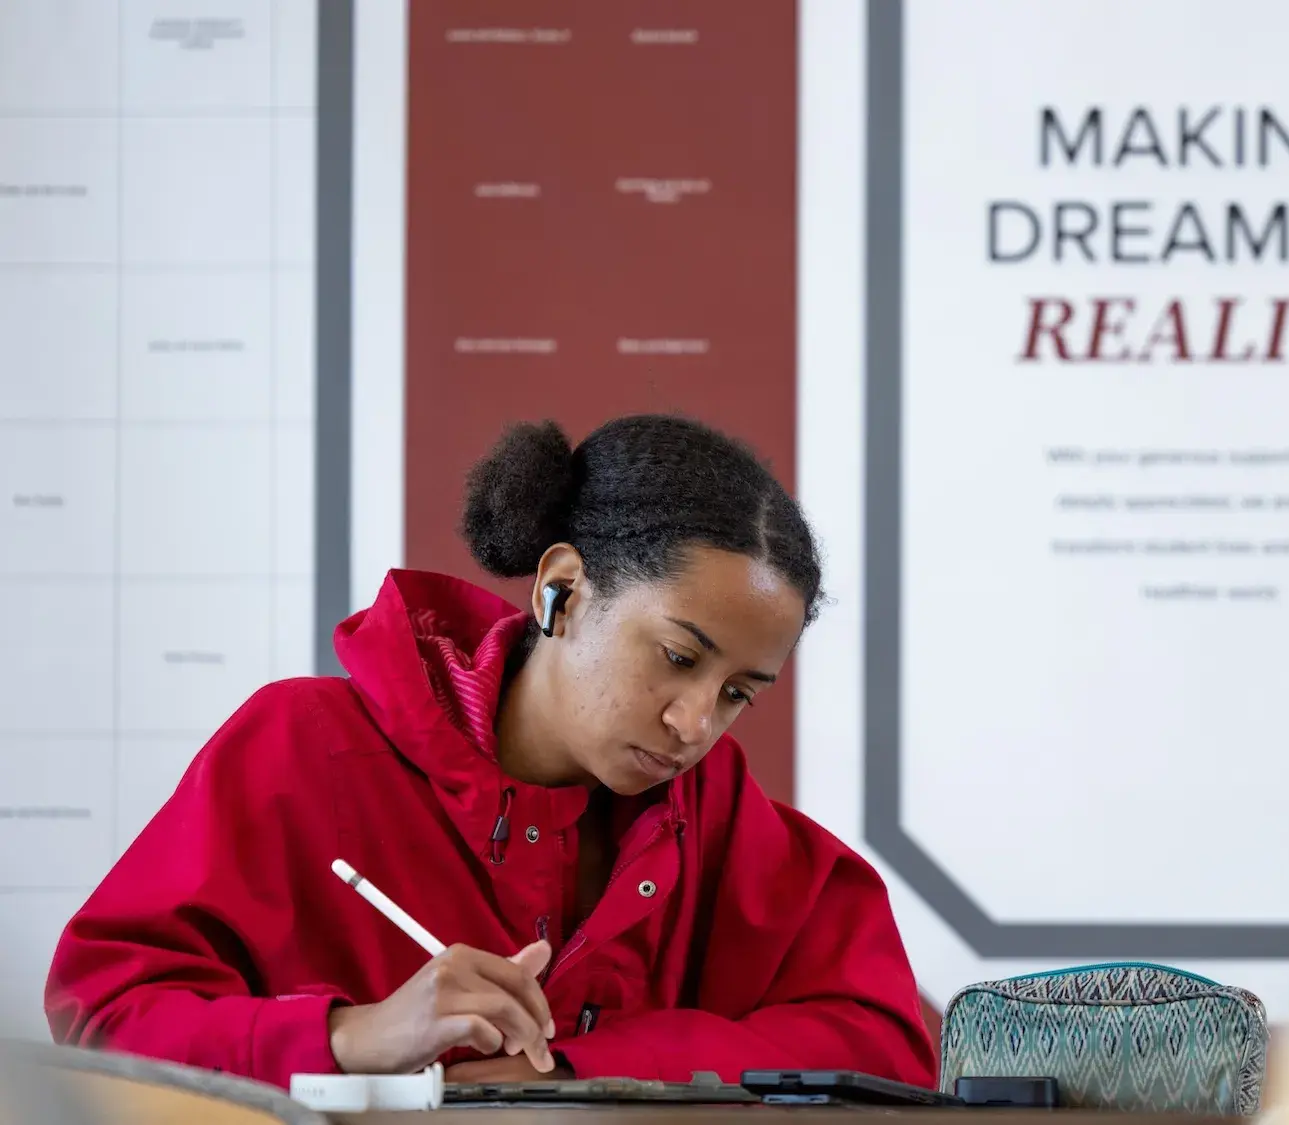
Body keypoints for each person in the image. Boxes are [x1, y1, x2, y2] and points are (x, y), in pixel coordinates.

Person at [44, 415, 937, 1088]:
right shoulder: (297, 746)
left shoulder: (721, 817)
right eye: (677, 656)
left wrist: (583, 1069)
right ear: (562, 589)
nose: (695, 724)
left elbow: (890, 1040)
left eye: (738, 691)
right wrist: (354, 1036)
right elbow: (103, 1014)